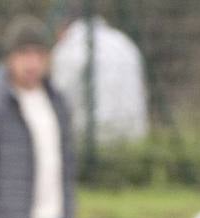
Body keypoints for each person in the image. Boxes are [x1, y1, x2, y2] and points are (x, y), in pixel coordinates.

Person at [0, 14, 76, 218]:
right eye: (24, 54)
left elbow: (67, 167)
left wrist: (69, 216)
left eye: (39, 54)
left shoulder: (58, 104)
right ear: (9, 58)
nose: (32, 63)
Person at [50, 12, 150, 146]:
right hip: (134, 138)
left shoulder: (68, 49)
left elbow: (59, 98)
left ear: (62, 27)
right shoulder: (124, 42)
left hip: (91, 140)